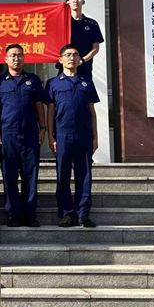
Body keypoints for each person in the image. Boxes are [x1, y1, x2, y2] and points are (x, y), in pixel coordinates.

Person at [0, 43, 49, 228]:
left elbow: (39, 105)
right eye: (13, 55)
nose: (17, 58)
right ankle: (13, 213)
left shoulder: (33, 80)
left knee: (30, 175)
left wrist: (43, 128)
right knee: (9, 175)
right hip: (8, 135)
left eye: (20, 55)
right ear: (6, 59)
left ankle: (30, 214)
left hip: (30, 134)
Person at [46, 44, 100, 228]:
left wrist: (95, 137)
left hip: (84, 135)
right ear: (60, 59)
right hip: (62, 135)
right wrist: (51, 137)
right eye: (68, 55)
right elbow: (50, 112)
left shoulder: (87, 82)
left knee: (84, 175)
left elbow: (92, 112)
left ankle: (83, 213)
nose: (72, 58)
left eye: (75, 55)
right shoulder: (53, 83)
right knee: (63, 175)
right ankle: (67, 213)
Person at [65, 0, 104, 81]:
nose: (75, 1)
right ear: (68, 2)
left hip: (85, 68)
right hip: (66, 68)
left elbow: (95, 47)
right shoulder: (63, 22)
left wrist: (82, 60)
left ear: (83, 1)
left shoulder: (92, 24)